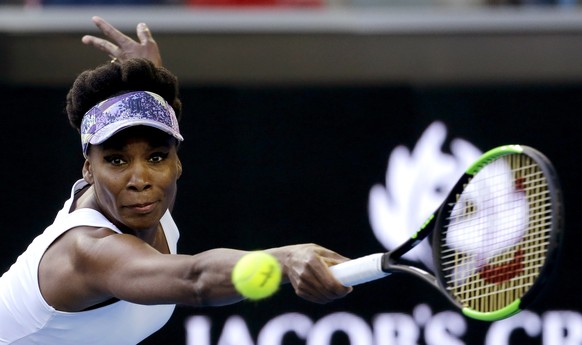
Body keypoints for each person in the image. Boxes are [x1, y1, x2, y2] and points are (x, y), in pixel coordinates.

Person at [0, 17, 352, 345]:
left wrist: (150, 76)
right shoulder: (88, 250)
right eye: (116, 160)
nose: (140, 179)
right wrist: (284, 260)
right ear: (88, 170)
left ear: (177, 160)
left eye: (156, 157)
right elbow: (195, 279)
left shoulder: (140, 201)